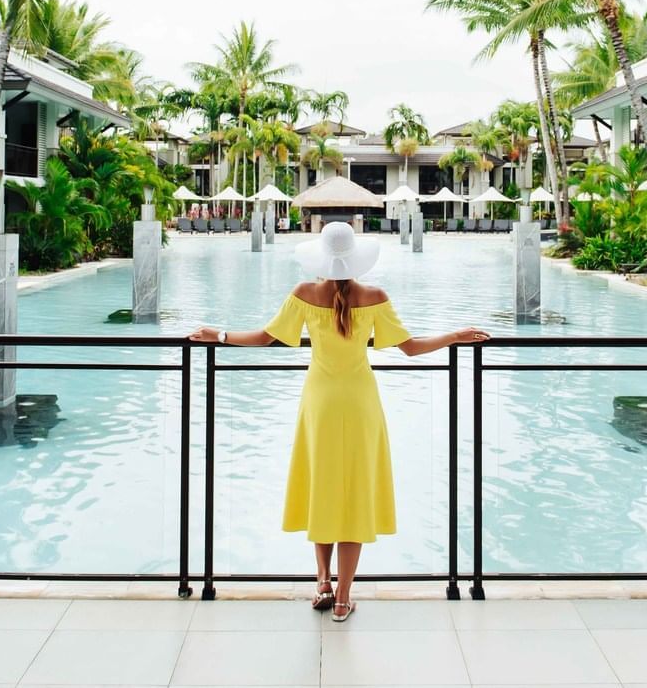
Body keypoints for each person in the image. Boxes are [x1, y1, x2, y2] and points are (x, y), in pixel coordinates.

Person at [190, 221, 489, 622]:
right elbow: (412, 349)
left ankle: (322, 583)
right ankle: (344, 597)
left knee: (323, 489)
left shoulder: (304, 294)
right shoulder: (375, 296)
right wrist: (457, 335)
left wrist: (219, 335)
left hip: (320, 404)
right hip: (361, 404)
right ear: (356, 260)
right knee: (354, 497)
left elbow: (265, 339)